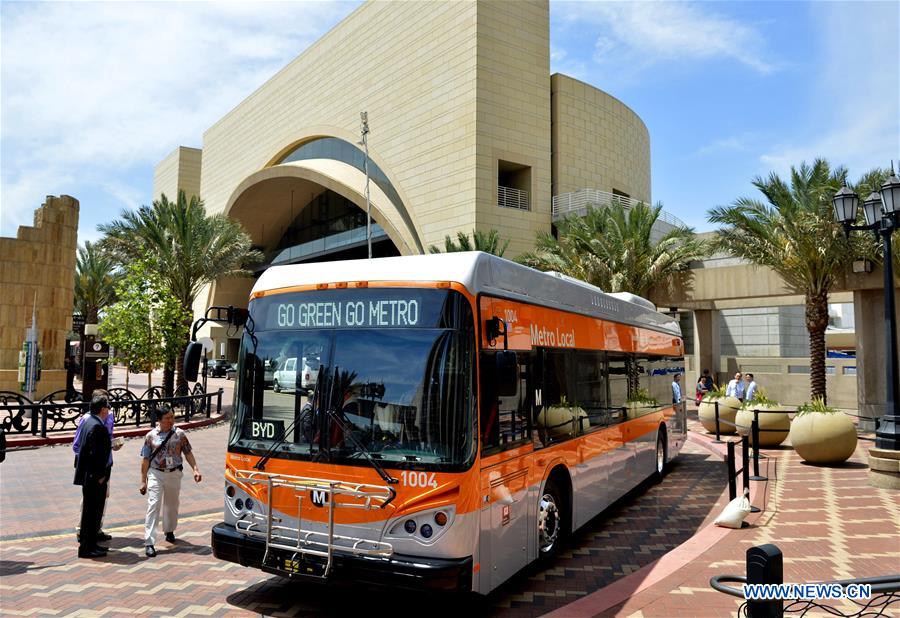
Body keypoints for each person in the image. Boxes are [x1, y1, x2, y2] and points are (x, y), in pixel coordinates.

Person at [139, 404, 202, 557]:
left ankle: (169, 530)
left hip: (174, 473)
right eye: (167, 418)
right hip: (156, 473)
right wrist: (143, 480)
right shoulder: (150, 436)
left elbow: (188, 453)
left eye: (172, 417)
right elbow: (145, 460)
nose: (171, 420)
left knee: (171, 505)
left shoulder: (180, 434)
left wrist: (195, 469)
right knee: (153, 504)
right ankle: (149, 542)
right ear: (159, 420)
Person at [73, 390, 122, 543]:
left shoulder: (108, 418)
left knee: (102, 498)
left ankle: (95, 529)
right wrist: (96, 471)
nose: (109, 409)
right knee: (90, 501)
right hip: (94, 469)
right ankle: (84, 530)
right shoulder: (88, 421)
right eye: (106, 405)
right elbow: (78, 445)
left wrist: (111, 446)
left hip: (105, 463)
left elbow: (107, 439)